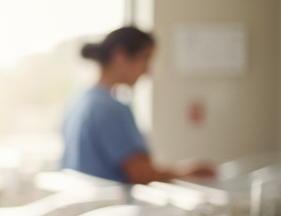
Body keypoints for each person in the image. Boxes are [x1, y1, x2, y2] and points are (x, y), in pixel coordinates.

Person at [62, 25, 214, 184]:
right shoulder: (111, 108)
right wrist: (189, 172)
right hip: (111, 205)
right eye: (145, 58)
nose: (147, 71)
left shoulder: (78, 101)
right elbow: (143, 174)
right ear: (119, 56)